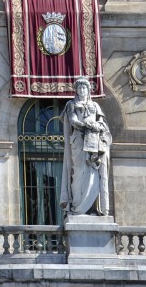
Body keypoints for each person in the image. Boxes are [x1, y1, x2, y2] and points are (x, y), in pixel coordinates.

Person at [60, 76, 111, 217]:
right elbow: (73, 121)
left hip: (93, 142)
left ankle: (92, 208)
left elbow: (103, 123)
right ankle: (78, 207)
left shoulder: (95, 106)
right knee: (79, 172)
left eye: (85, 87)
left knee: (93, 174)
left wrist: (97, 125)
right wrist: (86, 125)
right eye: (80, 88)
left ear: (88, 90)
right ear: (76, 90)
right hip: (78, 141)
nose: (82, 90)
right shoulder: (71, 105)